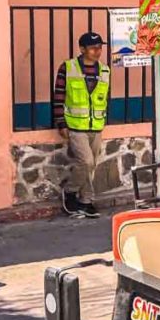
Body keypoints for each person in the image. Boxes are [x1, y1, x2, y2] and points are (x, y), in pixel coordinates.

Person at [53, 31, 111, 219]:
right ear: (82, 49)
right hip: (75, 126)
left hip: (96, 125)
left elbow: (104, 98)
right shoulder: (68, 68)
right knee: (86, 162)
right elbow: (59, 95)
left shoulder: (104, 70)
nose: (98, 51)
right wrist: (61, 122)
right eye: (94, 48)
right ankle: (70, 191)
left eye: (100, 47)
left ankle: (86, 201)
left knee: (90, 166)